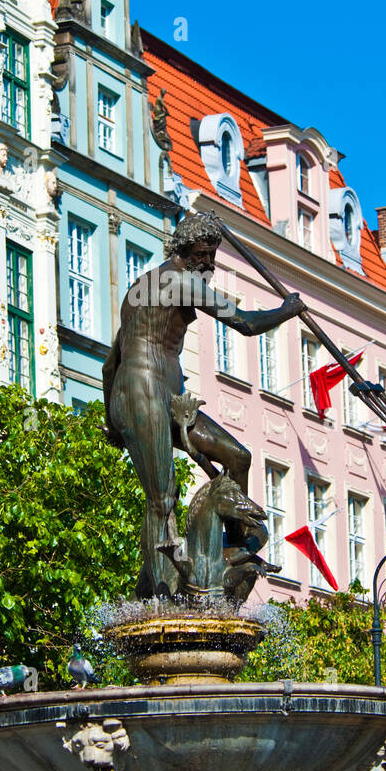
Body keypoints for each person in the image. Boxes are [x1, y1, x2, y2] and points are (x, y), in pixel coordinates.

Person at [102, 211, 305, 597]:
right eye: (203, 254)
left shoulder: (140, 289)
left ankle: (232, 546)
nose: (209, 264)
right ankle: (156, 595)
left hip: (165, 396)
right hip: (142, 390)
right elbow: (244, 322)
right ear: (182, 250)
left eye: (212, 255)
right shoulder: (179, 281)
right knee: (162, 499)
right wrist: (287, 310)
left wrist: (110, 417)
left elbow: (107, 364)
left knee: (238, 457)